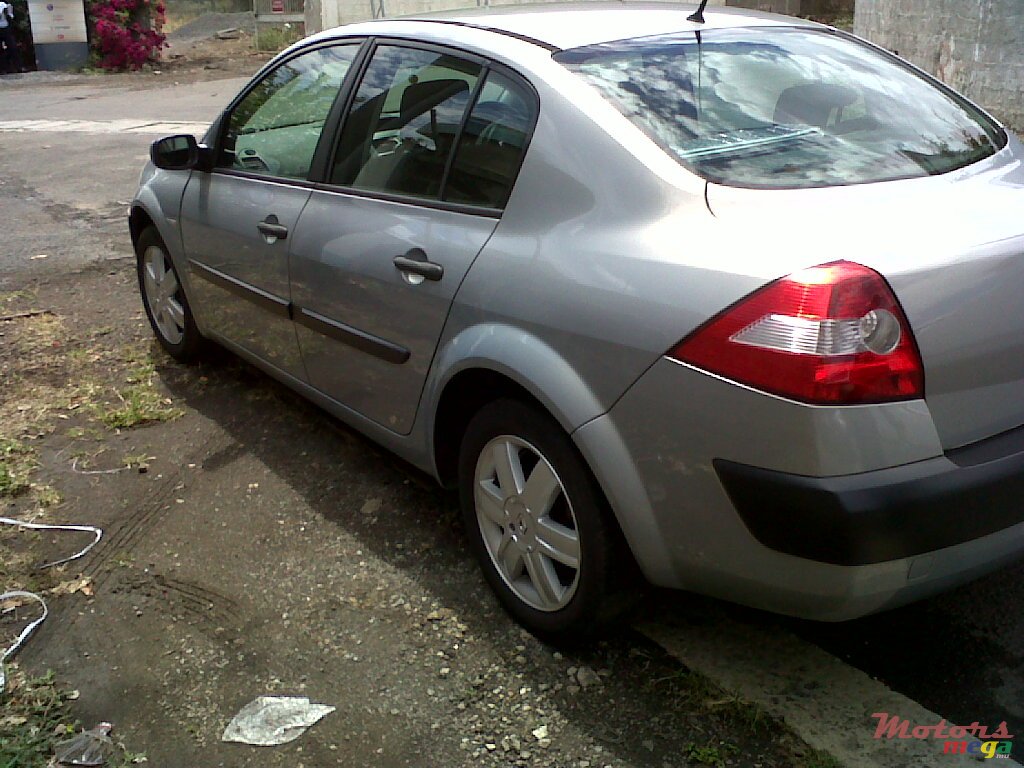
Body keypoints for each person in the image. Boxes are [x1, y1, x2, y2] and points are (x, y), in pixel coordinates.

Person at [0, 0, 22, 75]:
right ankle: (3, 69)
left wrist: (10, 13)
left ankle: (18, 67)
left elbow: (12, 16)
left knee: (13, 48)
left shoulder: (6, 4)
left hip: (6, 28)